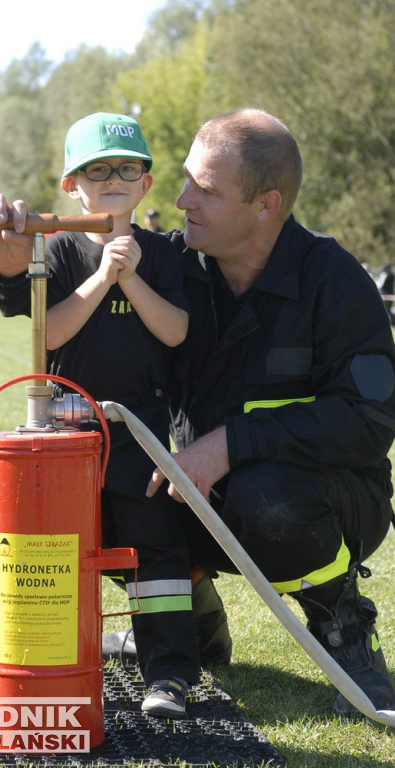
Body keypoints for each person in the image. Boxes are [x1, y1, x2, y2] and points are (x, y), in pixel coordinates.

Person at [144, 108, 395, 718]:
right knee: (106, 481)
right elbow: (80, 268)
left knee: (266, 492)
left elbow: (372, 422)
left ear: (266, 205)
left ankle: (345, 631)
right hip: (195, 495)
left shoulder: (334, 282)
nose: (182, 201)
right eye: (186, 180)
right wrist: (11, 264)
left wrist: (234, 442)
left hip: (325, 501)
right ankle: (192, 626)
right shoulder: (171, 268)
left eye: (206, 189)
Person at [0, 112, 205, 720]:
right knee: (63, 544)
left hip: (139, 424)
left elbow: (175, 332)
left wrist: (133, 276)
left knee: (157, 549)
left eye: (127, 168)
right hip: (68, 428)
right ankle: (64, 659)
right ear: (73, 184)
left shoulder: (164, 253)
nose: (114, 178)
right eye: (99, 169)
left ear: (146, 184)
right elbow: (50, 336)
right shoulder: (59, 248)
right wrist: (102, 276)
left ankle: (168, 674)